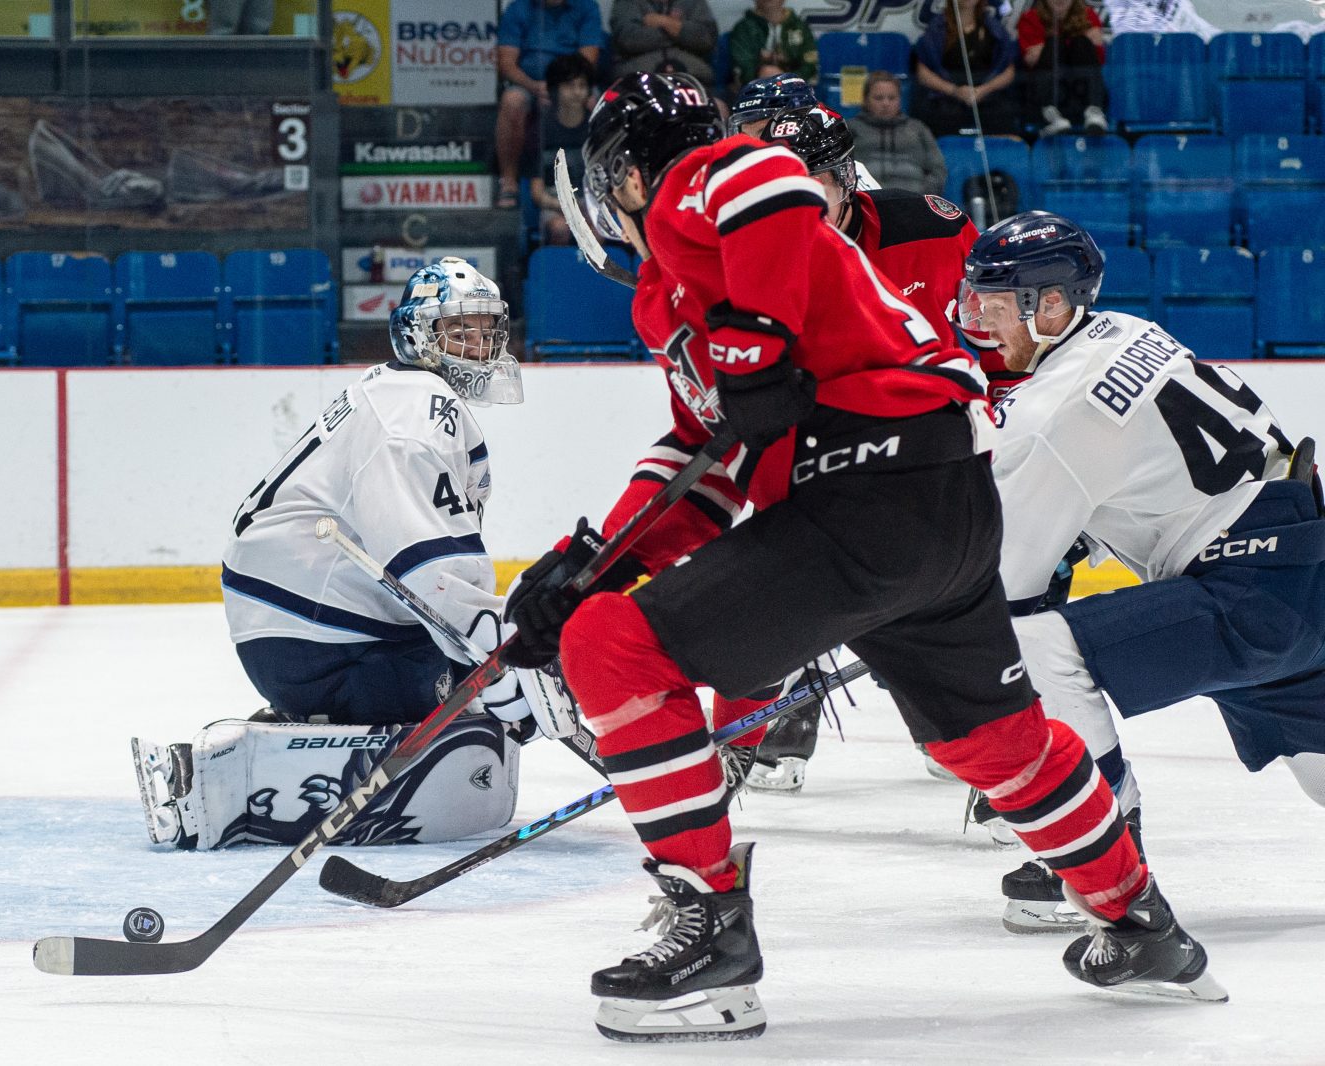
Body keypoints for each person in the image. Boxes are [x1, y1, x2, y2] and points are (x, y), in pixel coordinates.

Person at [502, 72, 1223, 1042]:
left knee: (611, 649)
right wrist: (592, 561)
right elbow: (703, 465)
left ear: (624, 177)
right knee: (989, 740)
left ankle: (710, 934)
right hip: (944, 501)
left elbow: (771, 183)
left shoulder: (694, 186)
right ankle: (1138, 921)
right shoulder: (675, 293)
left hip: (863, 489)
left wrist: (754, 342)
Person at [958, 211, 1325, 934]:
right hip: (1301, 559)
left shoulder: (1050, 411)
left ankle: (1104, 844)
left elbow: (1007, 595)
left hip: (1247, 591)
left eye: (997, 305)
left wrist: (927, 618)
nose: (981, 321)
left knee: (1040, 648)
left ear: (1052, 304)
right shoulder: (1127, 332)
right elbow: (1150, 471)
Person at [131, 259, 569, 852]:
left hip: (302, 632)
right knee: (505, 695)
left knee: (514, 671)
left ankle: (299, 731)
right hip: (323, 647)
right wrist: (499, 664)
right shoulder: (416, 412)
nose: (476, 346)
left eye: (485, 330)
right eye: (457, 330)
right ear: (417, 335)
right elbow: (430, 569)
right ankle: (286, 764)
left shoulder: (399, 393)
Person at [738, 103, 1021, 796]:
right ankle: (779, 726)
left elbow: (1000, 329)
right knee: (782, 577)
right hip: (827, 451)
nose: (793, 207)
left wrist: (1015, 406)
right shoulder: (753, 256)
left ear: (845, 181)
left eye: (812, 188)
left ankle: (959, 730)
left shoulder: (931, 228)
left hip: (941, 450)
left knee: (951, 592)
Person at [495, 0, 604, 208]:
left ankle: (598, 186)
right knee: (512, 101)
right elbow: (506, 64)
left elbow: (589, 57)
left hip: (570, 80)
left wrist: (561, 86)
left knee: (596, 104)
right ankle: (509, 182)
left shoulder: (586, 6)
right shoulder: (518, 9)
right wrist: (534, 86)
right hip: (528, 83)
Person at [912, 0, 1021, 139]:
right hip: (948, 98)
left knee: (1006, 121)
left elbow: (1008, 71)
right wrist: (955, 91)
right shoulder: (937, 29)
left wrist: (983, 90)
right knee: (939, 120)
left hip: (987, 96)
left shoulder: (993, 28)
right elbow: (923, 73)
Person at [531, 53, 598, 246]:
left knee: (597, 232)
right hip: (554, 203)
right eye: (569, 86)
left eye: (582, 86)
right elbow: (537, 193)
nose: (577, 92)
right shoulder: (540, 130)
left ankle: (594, 276)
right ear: (555, 90)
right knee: (560, 229)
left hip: (590, 203)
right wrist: (564, 206)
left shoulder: (596, 129)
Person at [848, 70, 948, 196]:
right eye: (879, 98)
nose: (886, 103)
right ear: (865, 100)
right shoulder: (850, 129)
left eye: (892, 98)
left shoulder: (918, 129)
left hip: (913, 200)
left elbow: (938, 169)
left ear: (900, 99)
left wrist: (923, 196)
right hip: (867, 200)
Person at [1017, 0, 1108, 136]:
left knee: (1081, 42)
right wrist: (1058, 44)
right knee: (1054, 44)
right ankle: (1050, 115)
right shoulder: (1030, 18)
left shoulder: (1088, 16)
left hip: (1080, 97)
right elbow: (1030, 60)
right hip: (1045, 98)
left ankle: (1094, 110)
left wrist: (1080, 41)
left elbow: (1097, 60)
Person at [608, 0, 719, 83]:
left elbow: (706, 39)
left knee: (719, 107)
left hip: (693, 80)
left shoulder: (694, 3)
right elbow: (629, 40)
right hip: (638, 82)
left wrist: (663, 21)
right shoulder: (626, 2)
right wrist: (679, 30)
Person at [727, 0, 817, 94]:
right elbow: (743, 66)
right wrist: (763, 74)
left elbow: (810, 65)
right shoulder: (744, 28)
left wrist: (787, 79)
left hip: (795, 90)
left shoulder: (800, 27)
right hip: (754, 91)